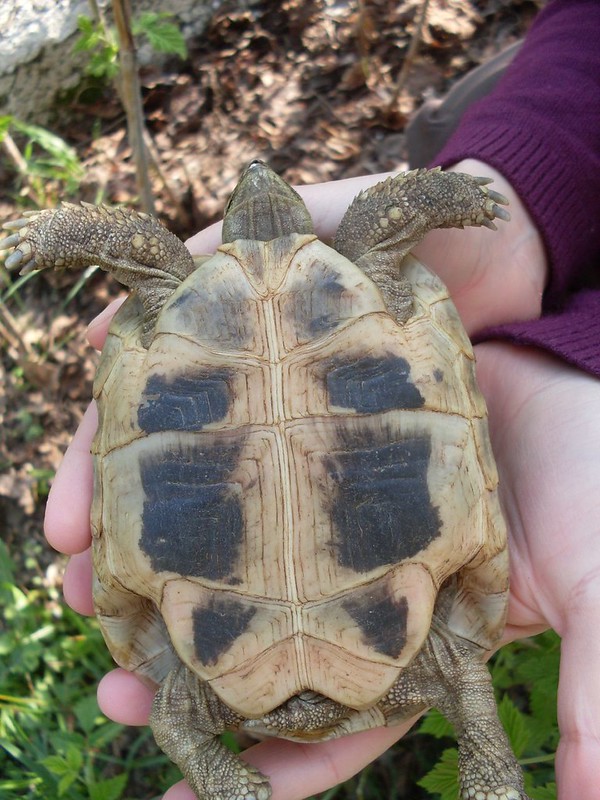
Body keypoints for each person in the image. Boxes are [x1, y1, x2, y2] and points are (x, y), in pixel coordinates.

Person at [44, 0, 600, 797]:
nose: (255, 180)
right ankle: (486, 763)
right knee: (457, 668)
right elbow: (391, 213)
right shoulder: (366, 266)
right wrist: (488, 197)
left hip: (238, 654)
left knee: (173, 702)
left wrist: (69, 230)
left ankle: (221, 772)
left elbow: (136, 250)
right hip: (399, 649)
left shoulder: (173, 300)